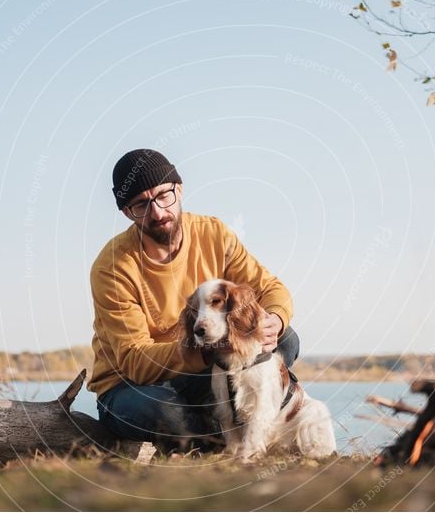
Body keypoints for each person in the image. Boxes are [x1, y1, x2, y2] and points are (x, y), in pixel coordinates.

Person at [88, 148, 299, 452]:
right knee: (166, 411)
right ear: (126, 212)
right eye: (141, 205)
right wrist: (209, 350)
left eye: (164, 196)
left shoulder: (213, 233)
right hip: (132, 386)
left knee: (286, 339)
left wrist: (274, 319)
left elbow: (270, 288)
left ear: (180, 189)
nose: (158, 212)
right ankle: (216, 439)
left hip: (205, 366)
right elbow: (135, 361)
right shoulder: (113, 267)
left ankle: (251, 422)